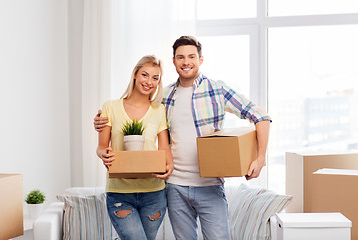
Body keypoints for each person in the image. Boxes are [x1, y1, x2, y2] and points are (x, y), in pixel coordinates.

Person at [95, 36, 271, 240]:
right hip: (175, 187)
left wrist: (260, 159)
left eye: (191, 56)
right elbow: (137, 115)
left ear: (200, 60)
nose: (186, 62)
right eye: (180, 57)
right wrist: (100, 122)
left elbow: (260, 117)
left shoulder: (217, 89)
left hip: (210, 186)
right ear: (174, 61)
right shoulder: (164, 97)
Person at [96, 55, 173, 240]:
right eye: (145, 75)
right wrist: (103, 154)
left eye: (155, 78)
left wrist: (169, 167)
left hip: (154, 192)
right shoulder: (110, 107)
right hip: (120, 193)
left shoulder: (159, 110)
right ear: (135, 75)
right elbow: (100, 147)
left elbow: (164, 148)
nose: (149, 82)